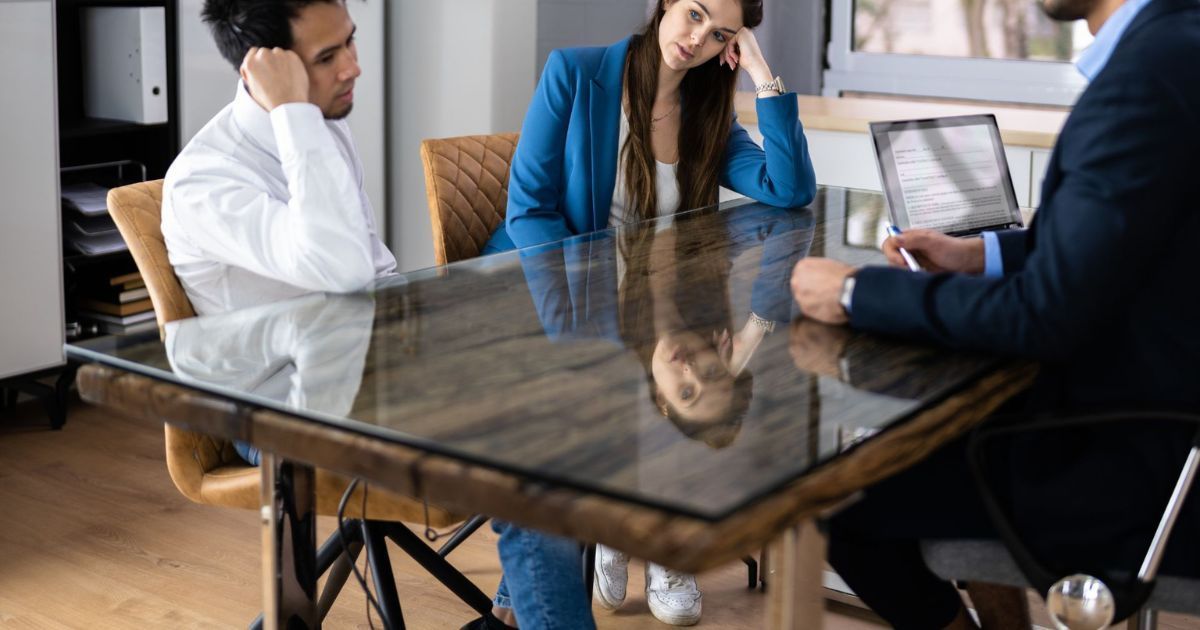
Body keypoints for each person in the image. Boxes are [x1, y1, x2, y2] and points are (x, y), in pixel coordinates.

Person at [789, 0, 1200, 627]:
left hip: (1144, 463)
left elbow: (1045, 314)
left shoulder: (1146, 77)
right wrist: (975, 254)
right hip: (1165, 411)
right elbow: (1119, 242)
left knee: (840, 500)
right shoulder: (1178, 42)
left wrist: (854, 293)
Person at [477, 0, 814, 623]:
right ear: (665, 2)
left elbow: (790, 190)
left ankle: (630, 526)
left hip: (660, 305)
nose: (695, 39)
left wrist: (763, 70)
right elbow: (528, 209)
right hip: (556, 300)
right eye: (692, 14)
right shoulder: (575, 74)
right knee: (621, 398)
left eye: (719, 35)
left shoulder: (709, 113)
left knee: (698, 393)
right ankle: (637, 525)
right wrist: (569, 335)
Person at [162, 0, 394, 467]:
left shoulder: (320, 125)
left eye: (350, 40)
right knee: (530, 442)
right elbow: (342, 270)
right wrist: (292, 113)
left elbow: (373, 267)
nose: (354, 67)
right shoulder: (204, 182)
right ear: (265, 70)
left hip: (368, 366)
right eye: (327, 58)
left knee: (549, 388)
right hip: (284, 410)